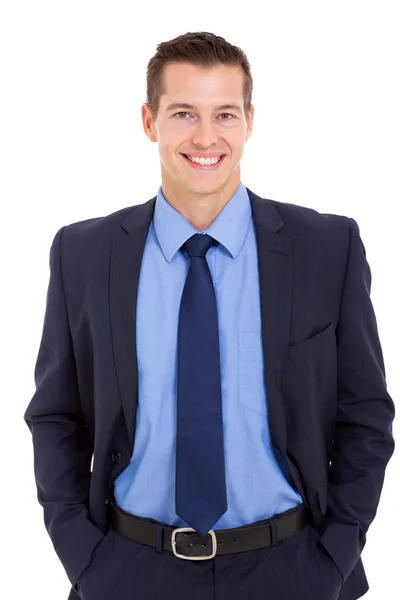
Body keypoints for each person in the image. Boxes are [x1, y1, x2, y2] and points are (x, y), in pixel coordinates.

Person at [24, 31, 395, 600]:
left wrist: (334, 556)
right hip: (131, 571)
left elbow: (366, 416)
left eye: (224, 113)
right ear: (149, 122)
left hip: (291, 569)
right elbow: (56, 417)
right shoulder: (84, 254)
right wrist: (85, 558)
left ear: (250, 121)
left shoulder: (326, 247)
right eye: (182, 113)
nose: (205, 136)